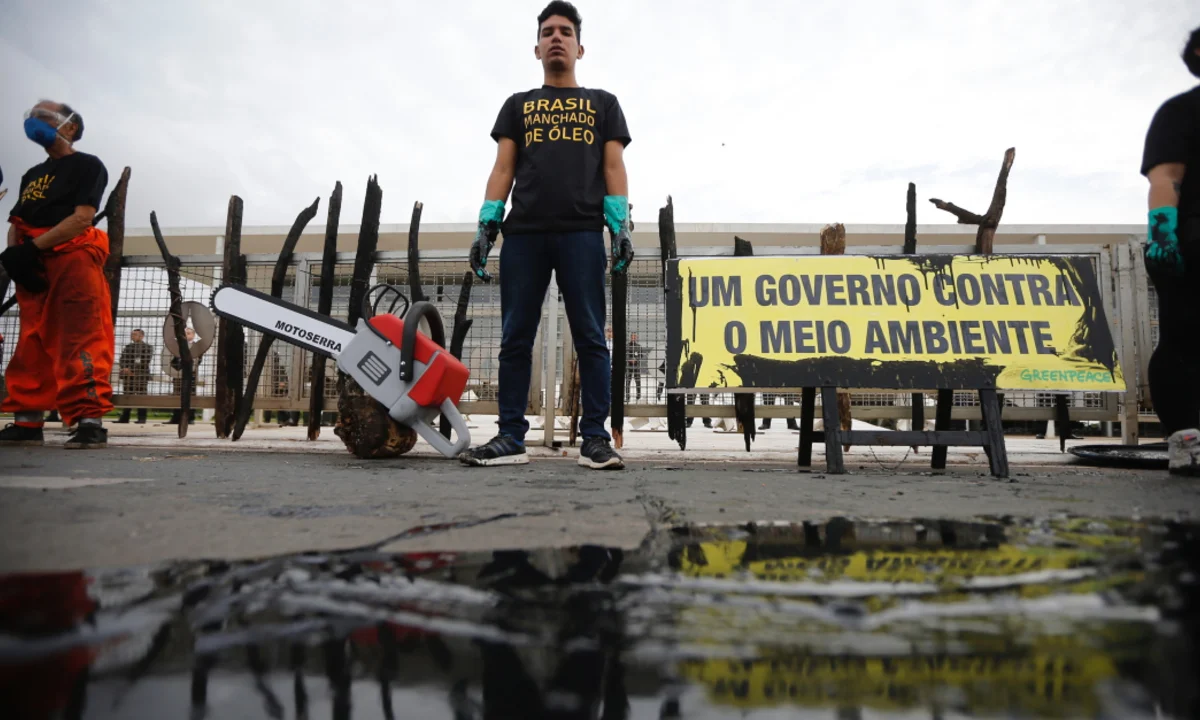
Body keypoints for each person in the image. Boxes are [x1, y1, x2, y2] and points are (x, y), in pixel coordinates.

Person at [459, 1, 633, 470]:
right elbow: (502, 168)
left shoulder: (603, 103)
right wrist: (485, 227)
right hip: (525, 236)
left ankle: (595, 438)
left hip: (580, 233)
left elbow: (614, 167)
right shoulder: (518, 105)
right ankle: (511, 436)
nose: (557, 37)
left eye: (566, 31)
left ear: (580, 46)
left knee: (592, 338)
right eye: (548, 32)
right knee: (515, 337)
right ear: (537, 48)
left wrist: (620, 228)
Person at [0, 100, 112, 449]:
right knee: (30, 341)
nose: (36, 121)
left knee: (80, 338)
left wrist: (34, 249)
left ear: (70, 127)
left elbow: (81, 217)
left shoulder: (87, 166)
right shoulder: (31, 175)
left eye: (45, 116)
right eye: (32, 116)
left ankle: (89, 420)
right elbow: (17, 221)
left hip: (72, 255)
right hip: (33, 260)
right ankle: (27, 420)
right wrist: (17, 255)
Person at [1142, 28, 1200, 474]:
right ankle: (1186, 440)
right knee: (1182, 339)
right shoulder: (1182, 111)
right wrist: (1164, 236)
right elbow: (1166, 177)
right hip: (1191, 242)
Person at [116, 328, 152, 423]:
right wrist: (125, 368)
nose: (132, 336)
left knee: (141, 396)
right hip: (128, 375)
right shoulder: (128, 347)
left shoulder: (147, 347)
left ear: (141, 336)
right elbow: (122, 359)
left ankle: (142, 418)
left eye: (135, 334)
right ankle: (125, 418)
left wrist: (130, 369)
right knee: (127, 395)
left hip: (141, 375)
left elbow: (145, 361)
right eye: (132, 334)